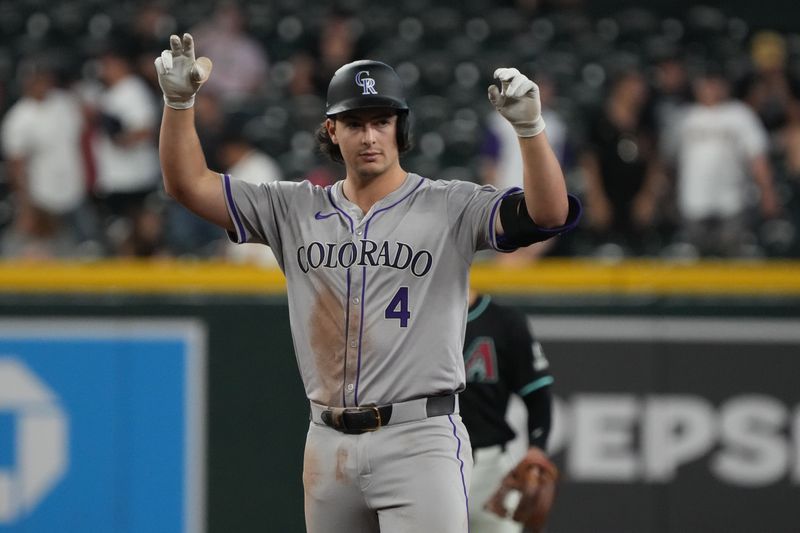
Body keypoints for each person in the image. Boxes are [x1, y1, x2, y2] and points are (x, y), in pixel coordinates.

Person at [154, 33, 580, 532]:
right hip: (327, 438)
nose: (370, 136)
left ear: (401, 128)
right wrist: (178, 104)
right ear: (331, 130)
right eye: (355, 123)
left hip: (419, 436)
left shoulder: (450, 205)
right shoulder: (293, 207)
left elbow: (548, 213)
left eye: (381, 121)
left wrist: (529, 129)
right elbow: (187, 184)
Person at [461, 288, 554, 533]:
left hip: (488, 468)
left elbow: (537, 393)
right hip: (425, 462)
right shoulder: (415, 320)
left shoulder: (503, 321)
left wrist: (537, 447)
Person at [666, 66, 781, 257]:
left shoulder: (739, 115)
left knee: (732, 259)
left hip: (732, 203)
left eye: (715, 83)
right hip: (693, 202)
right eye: (706, 83)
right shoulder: (684, 117)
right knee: (695, 265)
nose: (711, 88)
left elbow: (757, 157)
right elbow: (667, 162)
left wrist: (767, 192)